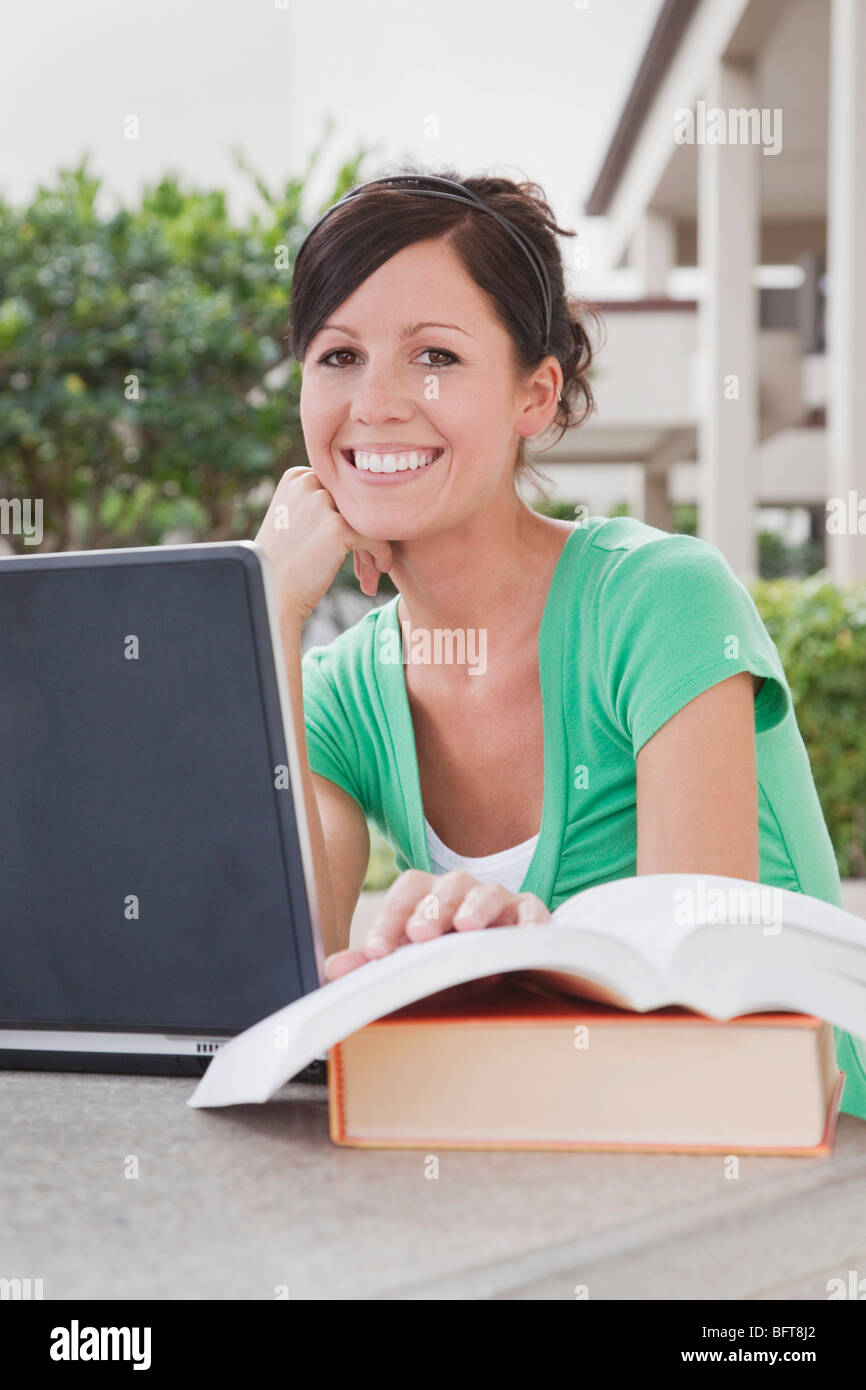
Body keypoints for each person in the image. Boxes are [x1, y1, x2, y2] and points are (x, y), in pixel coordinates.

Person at [255, 166, 866, 1121]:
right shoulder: (337, 695)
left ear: (535, 395)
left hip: (806, 1178)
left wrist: (519, 962)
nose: (373, 403)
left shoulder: (659, 603)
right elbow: (271, 1000)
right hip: (555, 1163)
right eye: (337, 356)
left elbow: (700, 1017)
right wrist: (270, 617)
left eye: (435, 358)